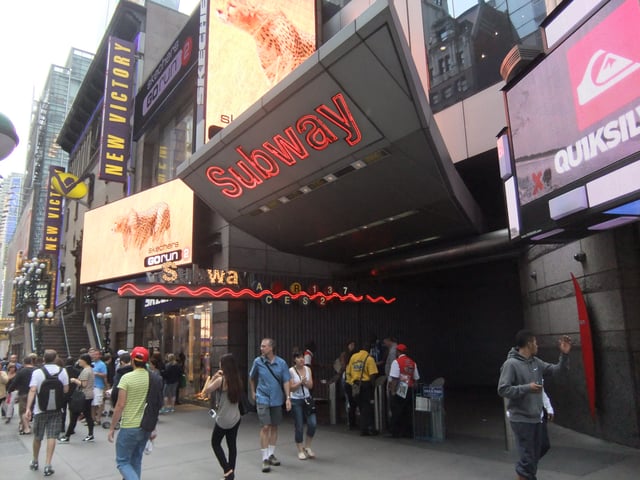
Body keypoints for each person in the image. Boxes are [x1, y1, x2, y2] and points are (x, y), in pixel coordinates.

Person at [498, 330, 572, 480]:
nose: (538, 345)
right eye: (536, 342)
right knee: (528, 457)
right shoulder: (510, 364)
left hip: (537, 417)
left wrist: (564, 354)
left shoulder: (536, 362)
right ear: (529, 344)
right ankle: (526, 473)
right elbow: (503, 389)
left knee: (542, 447)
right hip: (521, 418)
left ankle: (526, 470)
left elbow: (557, 370)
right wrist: (527, 388)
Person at [108, 346, 163, 480]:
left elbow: (120, 405)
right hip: (145, 426)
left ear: (132, 360)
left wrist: (111, 428)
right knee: (136, 460)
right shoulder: (153, 378)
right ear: (146, 361)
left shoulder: (126, 378)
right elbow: (156, 404)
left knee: (122, 462)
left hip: (129, 426)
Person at [249, 338, 291, 473]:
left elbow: (286, 381)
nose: (261, 348)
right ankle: (264, 458)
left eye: (264, 346)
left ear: (271, 348)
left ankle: (271, 453)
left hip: (277, 399)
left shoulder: (281, 363)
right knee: (265, 426)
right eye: (261, 346)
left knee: (274, 426)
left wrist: (288, 398)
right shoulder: (258, 362)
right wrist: (253, 391)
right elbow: (251, 376)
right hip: (262, 397)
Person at [25, 349, 69, 477]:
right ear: (56, 358)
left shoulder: (38, 372)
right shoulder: (63, 371)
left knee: (37, 436)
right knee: (51, 436)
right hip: (56, 409)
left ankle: (35, 460)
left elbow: (32, 390)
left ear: (43, 358)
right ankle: (48, 464)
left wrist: (28, 408)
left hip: (40, 409)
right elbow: (66, 389)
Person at [205, 353, 242, 480]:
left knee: (215, 443)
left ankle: (227, 470)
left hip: (223, 419)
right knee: (232, 445)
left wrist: (213, 377)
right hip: (235, 418)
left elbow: (206, 390)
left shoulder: (221, 380)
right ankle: (231, 473)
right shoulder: (237, 379)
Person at [59, 354, 95, 443]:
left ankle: (67, 436)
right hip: (89, 394)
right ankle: (90, 434)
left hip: (83, 395)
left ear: (84, 361)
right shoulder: (90, 369)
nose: (79, 361)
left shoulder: (85, 371)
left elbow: (83, 384)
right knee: (88, 415)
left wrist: (74, 380)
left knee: (74, 415)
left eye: (80, 360)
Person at [346, 342, 379, 436]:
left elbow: (349, 371)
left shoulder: (353, 357)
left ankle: (363, 426)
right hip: (365, 385)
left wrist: (351, 383)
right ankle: (365, 429)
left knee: (360, 406)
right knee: (366, 407)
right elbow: (372, 375)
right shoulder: (369, 359)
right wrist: (373, 387)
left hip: (355, 385)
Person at [387, 343, 420, 438]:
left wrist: (392, 392)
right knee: (408, 411)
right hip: (409, 389)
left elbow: (394, 378)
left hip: (400, 389)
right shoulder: (412, 362)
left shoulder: (396, 362)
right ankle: (408, 432)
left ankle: (395, 432)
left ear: (398, 352)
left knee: (396, 410)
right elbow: (416, 378)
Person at [289, 351, 317, 460]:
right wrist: (300, 382)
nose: (301, 360)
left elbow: (311, 385)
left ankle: (308, 446)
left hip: (307, 399)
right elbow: (291, 388)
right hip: (296, 400)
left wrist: (304, 382)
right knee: (299, 425)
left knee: (312, 423)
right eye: (299, 358)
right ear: (294, 360)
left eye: (302, 358)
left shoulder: (308, 369)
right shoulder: (291, 371)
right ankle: (300, 449)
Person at [10, 354, 36, 434]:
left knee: (23, 411)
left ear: (24, 362)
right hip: (34, 393)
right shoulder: (36, 370)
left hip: (23, 393)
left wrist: (10, 390)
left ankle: (26, 427)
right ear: (31, 362)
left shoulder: (21, 371)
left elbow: (15, 382)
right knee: (30, 409)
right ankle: (25, 424)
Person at [89, 348, 107, 424]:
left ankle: (98, 418)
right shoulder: (92, 364)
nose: (94, 356)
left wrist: (97, 373)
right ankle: (92, 418)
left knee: (99, 403)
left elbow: (105, 374)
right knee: (92, 404)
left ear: (99, 355)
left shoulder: (102, 364)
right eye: (94, 354)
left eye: (96, 354)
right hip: (92, 386)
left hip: (99, 386)